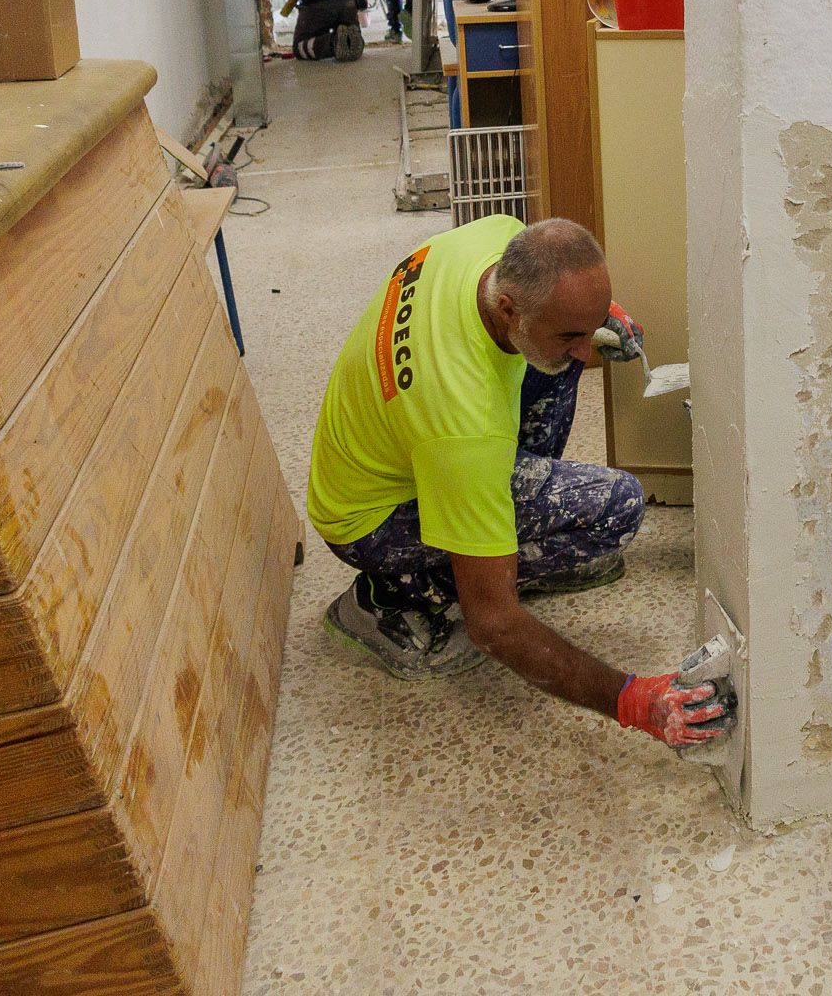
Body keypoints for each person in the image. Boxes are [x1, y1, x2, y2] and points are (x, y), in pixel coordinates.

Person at [307, 216, 727, 748]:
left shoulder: (495, 241)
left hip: (392, 451)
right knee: (616, 509)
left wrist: (597, 317)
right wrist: (634, 700)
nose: (585, 348)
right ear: (507, 308)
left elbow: (561, 322)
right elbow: (492, 625)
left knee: (558, 362)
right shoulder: (463, 430)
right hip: (371, 520)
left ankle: (494, 538)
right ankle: (382, 599)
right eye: (571, 333)